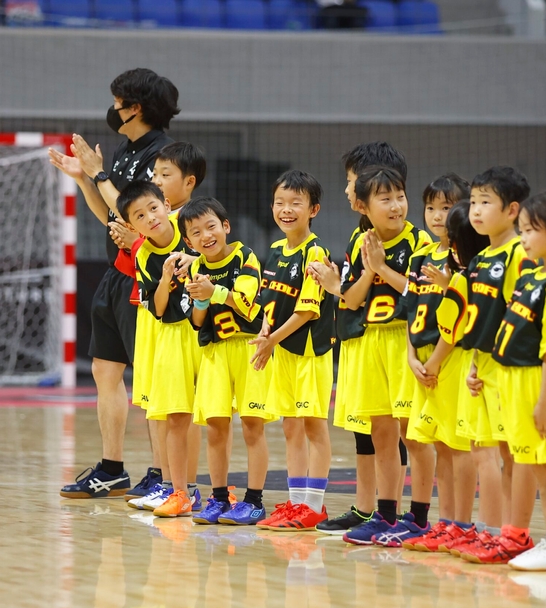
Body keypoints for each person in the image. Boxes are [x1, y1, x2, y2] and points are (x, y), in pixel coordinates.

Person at [49, 68, 180, 499]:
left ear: (135, 107)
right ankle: (112, 468)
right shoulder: (125, 150)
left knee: (150, 381)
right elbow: (110, 215)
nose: (113, 109)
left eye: (118, 102)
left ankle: (161, 473)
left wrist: (100, 176)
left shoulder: (162, 154)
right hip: (115, 273)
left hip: (145, 277)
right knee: (104, 370)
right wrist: (84, 178)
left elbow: (134, 213)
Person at [306, 166, 431, 546]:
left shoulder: (419, 241)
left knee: (413, 434)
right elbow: (352, 299)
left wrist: (381, 268)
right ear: (363, 206)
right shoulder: (363, 239)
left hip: (404, 340)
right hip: (370, 340)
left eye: (400, 197)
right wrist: (360, 275)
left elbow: (419, 293)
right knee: (381, 433)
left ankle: (420, 517)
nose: (396, 206)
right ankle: (386, 515)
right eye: (385, 199)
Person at [478, 191, 546, 569]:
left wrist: (543, 402)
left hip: (536, 382)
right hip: (512, 381)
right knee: (538, 465)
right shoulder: (533, 277)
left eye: (530, 230)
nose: (523, 238)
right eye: (521, 230)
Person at [431, 166, 534, 560]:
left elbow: (520, 315)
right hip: (484, 367)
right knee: (485, 449)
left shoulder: (519, 255)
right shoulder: (480, 259)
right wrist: (475, 364)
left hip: (510, 368)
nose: (475, 210)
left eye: (485, 202)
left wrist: (498, 364)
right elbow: (480, 320)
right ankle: (495, 532)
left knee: (506, 453)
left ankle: (507, 533)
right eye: (473, 201)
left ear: (512, 210)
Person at [117, 142, 207, 502]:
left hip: (199, 333)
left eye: (153, 208)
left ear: (167, 205)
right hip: (164, 331)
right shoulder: (144, 253)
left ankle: (196, 488)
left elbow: (224, 260)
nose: (150, 217)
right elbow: (156, 304)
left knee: (195, 414)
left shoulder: (193, 230)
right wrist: (167, 279)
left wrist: (195, 260)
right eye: (140, 216)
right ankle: (172, 487)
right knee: (165, 411)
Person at [177, 197, 274, 525]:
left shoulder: (245, 257)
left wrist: (213, 292)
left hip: (248, 347)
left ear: (226, 226)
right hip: (214, 352)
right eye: (196, 232)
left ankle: (254, 502)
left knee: (252, 426)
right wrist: (201, 300)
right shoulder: (195, 268)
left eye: (211, 226)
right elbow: (197, 321)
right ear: (189, 242)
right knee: (216, 427)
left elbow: (246, 304)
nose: (206, 235)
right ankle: (218, 499)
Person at [251, 170, 336, 532]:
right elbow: (268, 303)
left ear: (313, 209)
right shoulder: (274, 251)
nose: (286, 210)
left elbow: (307, 310)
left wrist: (272, 339)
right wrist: (265, 330)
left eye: (295, 203)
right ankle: (296, 502)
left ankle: (313, 506)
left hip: (310, 352)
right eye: (280, 202)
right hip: (282, 352)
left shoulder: (315, 252)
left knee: (314, 427)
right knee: (290, 428)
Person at [406, 200, 488, 552]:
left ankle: (463, 524)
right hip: (437, 363)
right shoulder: (447, 270)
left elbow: (454, 328)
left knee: (459, 447)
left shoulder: (469, 276)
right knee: (442, 445)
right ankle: (448, 521)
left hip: (456, 363)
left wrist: (435, 361)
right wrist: (413, 355)